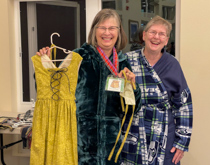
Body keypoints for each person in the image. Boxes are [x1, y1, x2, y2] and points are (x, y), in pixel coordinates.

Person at [34, 9, 141, 165]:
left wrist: (133, 87)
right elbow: (53, 93)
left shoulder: (123, 62)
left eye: (112, 28)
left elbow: (131, 109)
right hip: (80, 142)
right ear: (94, 30)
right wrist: (46, 67)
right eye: (102, 27)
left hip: (111, 145)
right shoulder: (79, 58)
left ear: (119, 32)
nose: (107, 33)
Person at [121, 16, 193, 165]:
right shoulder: (127, 60)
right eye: (153, 32)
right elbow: (116, 99)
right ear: (144, 35)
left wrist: (182, 142)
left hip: (163, 134)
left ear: (166, 40)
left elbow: (184, 105)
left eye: (162, 34)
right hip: (133, 130)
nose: (156, 37)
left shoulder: (172, 64)